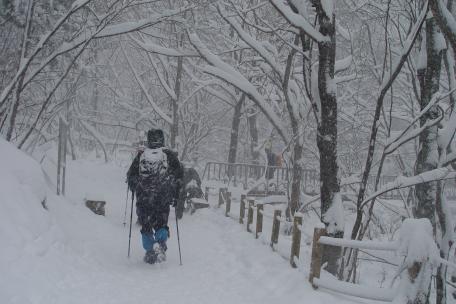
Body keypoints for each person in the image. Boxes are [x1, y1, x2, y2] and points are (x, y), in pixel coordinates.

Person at [126, 129, 183, 264]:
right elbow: (179, 176)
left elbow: (131, 176)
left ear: (148, 139)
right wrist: (175, 194)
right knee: (161, 223)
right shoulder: (168, 155)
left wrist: (135, 187)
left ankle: (149, 250)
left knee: (146, 225)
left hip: (144, 199)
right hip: (162, 198)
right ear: (162, 139)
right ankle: (160, 243)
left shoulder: (141, 155)